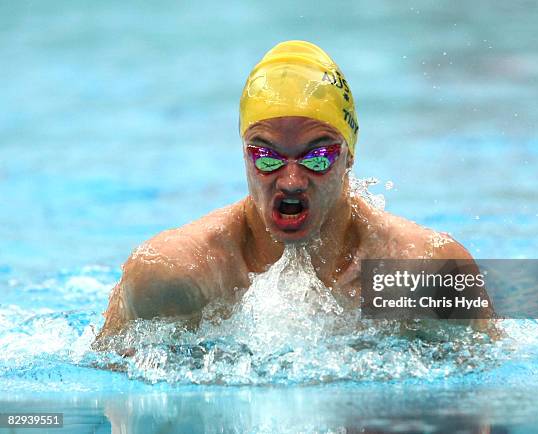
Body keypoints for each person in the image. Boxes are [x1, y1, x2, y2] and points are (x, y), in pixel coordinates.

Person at [96, 40, 494, 341]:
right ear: (243, 154)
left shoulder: (419, 272)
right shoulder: (183, 275)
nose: (290, 180)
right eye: (266, 157)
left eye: (318, 156)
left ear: (349, 155)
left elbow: (491, 390)